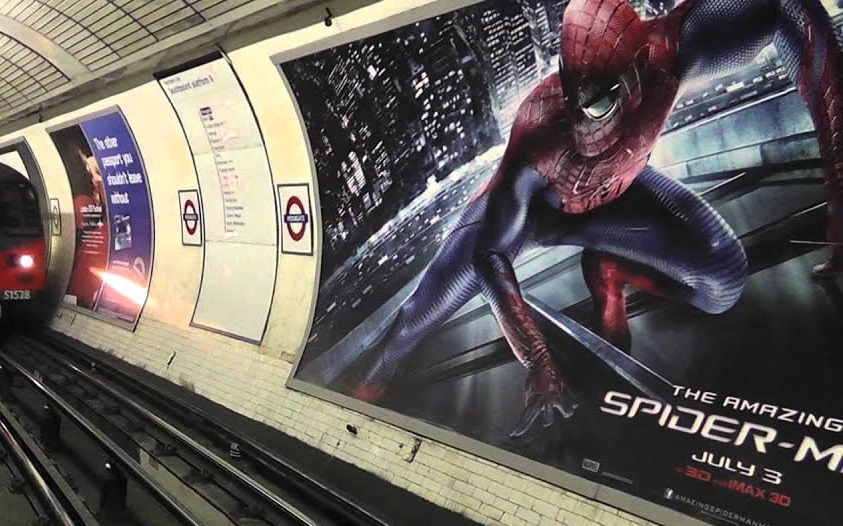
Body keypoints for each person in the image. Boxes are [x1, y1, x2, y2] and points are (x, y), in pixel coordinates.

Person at [350, 0, 843, 437]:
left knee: (723, 281)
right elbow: (492, 254)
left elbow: (788, 11)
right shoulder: (540, 130)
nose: (582, 116)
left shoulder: (669, 51)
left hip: (614, 192)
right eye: (572, 92)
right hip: (530, 216)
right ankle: (367, 391)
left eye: (598, 100)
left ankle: (612, 270)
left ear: (636, 76)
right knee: (417, 317)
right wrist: (538, 360)